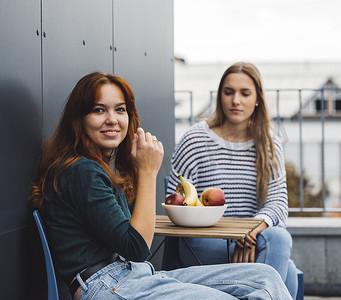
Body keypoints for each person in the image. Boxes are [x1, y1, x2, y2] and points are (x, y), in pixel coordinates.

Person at [28, 71, 292, 300]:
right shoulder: (82, 171)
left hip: (132, 275)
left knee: (265, 278)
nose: (112, 119)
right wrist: (148, 171)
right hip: (107, 285)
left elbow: (129, 240)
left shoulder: (99, 168)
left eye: (120, 110)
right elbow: (138, 248)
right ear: (79, 120)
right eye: (99, 110)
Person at [164, 62, 299, 298]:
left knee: (279, 237)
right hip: (203, 242)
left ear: (257, 98)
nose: (236, 100)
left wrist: (248, 232)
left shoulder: (269, 144)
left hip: (253, 241)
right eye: (229, 92)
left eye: (245, 93)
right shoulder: (195, 139)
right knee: (285, 270)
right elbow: (175, 203)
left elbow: (278, 203)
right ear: (220, 96)